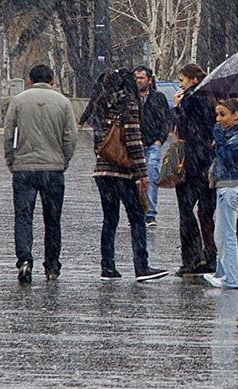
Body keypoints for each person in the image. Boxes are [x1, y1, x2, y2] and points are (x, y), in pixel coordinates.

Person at [91, 68, 168, 282]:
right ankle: (141, 266)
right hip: (124, 172)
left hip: (102, 171)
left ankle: (108, 267)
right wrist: (142, 174)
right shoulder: (129, 104)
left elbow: (98, 140)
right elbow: (134, 140)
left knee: (110, 219)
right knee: (136, 218)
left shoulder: (101, 104)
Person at [3, 64, 77, 283]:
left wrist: (11, 160)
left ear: (29, 80)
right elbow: (70, 137)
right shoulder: (63, 102)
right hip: (53, 169)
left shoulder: (18, 101)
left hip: (24, 168)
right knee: (52, 219)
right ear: (52, 81)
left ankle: (25, 260)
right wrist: (63, 160)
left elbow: (8, 135)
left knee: (23, 217)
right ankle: (52, 266)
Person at [173, 63, 217, 276]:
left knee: (186, 211)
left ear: (193, 80)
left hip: (189, 162)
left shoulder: (190, 99)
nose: (180, 84)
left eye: (182, 80)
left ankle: (192, 258)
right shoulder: (211, 98)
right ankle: (210, 255)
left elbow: (181, 125)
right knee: (206, 212)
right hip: (206, 160)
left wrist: (177, 107)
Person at [204, 98, 238, 290]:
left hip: (232, 187)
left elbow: (228, 158)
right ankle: (222, 274)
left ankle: (231, 278)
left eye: (223, 115)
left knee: (228, 235)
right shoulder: (229, 133)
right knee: (220, 234)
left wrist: (219, 139)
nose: (218, 119)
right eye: (217, 114)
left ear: (235, 115)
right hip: (224, 186)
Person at [134, 65, 171, 227]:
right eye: (136, 78)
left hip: (152, 144)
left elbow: (166, 120)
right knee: (135, 180)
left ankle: (150, 213)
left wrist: (159, 140)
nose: (138, 81)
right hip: (134, 145)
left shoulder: (158, 98)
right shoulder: (130, 98)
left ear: (149, 80)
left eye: (141, 78)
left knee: (152, 176)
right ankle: (136, 212)